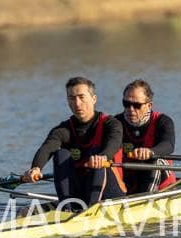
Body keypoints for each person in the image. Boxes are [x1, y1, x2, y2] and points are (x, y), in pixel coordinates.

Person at [22, 77, 126, 208]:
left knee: (96, 153)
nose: (77, 103)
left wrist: (103, 156)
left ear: (93, 99)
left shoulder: (111, 124)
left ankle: (90, 209)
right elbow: (47, 148)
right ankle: (67, 209)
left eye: (81, 97)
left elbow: (114, 143)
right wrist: (36, 168)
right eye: (72, 98)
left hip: (111, 192)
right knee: (61, 154)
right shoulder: (63, 129)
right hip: (80, 192)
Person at [114, 79, 176, 194]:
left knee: (156, 162)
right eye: (126, 104)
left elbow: (169, 145)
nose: (131, 109)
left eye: (137, 105)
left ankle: (146, 200)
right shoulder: (116, 122)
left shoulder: (163, 121)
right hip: (129, 181)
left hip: (160, 183)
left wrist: (150, 152)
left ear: (149, 105)